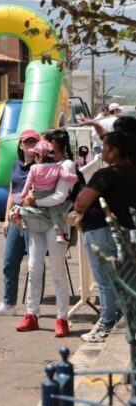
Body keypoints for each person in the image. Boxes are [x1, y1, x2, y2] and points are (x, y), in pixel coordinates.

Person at [71, 130, 136, 342]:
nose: (103, 151)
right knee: (121, 279)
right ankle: (117, 319)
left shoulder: (105, 175)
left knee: (106, 281)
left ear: (114, 151)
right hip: (127, 231)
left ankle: (106, 325)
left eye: (106, 147)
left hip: (102, 231)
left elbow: (81, 202)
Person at [15, 128, 77, 337]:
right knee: (34, 268)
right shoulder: (40, 166)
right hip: (36, 221)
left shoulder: (66, 165)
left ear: (55, 145)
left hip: (55, 222)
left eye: (45, 142)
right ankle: (31, 314)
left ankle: (62, 318)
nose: (40, 147)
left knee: (57, 271)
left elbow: (60, 196)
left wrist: (34, 201)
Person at [0, 129, 39, 317]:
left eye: (34, 142)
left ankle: (33, 309)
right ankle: (8, 304)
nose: (31, 145)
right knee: (9, 262)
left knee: (34, 264)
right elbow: (11, 193)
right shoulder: (16, 165)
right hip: (15, 218)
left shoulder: (40, 166)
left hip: (32, 218)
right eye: (27, 142)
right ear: (21, 145)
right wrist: (6, 218)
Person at [17, 139, 77, 243]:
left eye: (35, 155)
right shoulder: (57, 167)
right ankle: (60, 234)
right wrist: (75, 178)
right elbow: (66, 176)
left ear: (39, 157)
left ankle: (24, 221)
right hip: (50, 193)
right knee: (56, 214)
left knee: (28, 209)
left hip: (37, 194)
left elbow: (28, 183)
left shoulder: (34, 168)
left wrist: (23, 194)